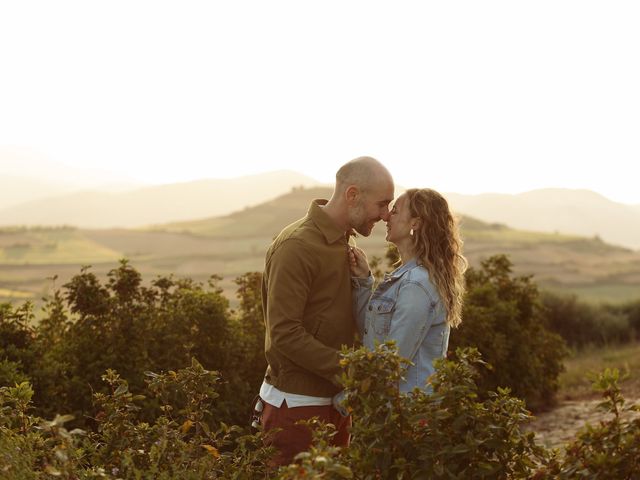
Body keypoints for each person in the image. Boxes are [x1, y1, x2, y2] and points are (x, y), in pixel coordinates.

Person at [258, 156, 394, 465]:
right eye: (382, 204)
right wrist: (353, 369)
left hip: (334, 401)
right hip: (297, 407)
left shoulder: (342, 243)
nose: (386, 215)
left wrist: (362, 282)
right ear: (352, 195)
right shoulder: (297, 246)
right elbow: (284, 333)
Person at [348, 188, 467, 393]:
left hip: (407, 412)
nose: (386, 217)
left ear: (415, 223)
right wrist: (364, 280)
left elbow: (392, 363)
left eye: (395, 211)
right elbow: (372, 333)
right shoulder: (408, 277)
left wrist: (343, 398)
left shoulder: (417, 285)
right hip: (397, 410)